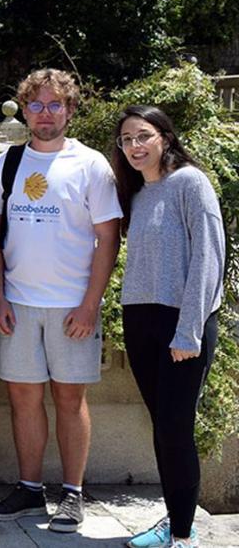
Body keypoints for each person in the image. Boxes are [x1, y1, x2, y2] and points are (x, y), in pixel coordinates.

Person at [0, 69, 121, 533]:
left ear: (70, 109)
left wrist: (89, 304)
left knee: (69, 398)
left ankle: (73, 494)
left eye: (55, 105)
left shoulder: (91, 164)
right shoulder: (7, 162)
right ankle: (28, 489)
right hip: (18, 303)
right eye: (37, 105)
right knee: (22, 398)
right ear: (24, 110)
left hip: (71, 306)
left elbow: (108, 238)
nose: (45, 114)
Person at [113, 106, 223, 548]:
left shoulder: (190, 183)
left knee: (176, 426)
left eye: (143, 136)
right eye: (126, 140)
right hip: (141, 319)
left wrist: (189, 330)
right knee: (162, 427)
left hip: (183, 322)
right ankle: (178, 522)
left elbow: (208, 259)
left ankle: (182, 536)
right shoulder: (137, 194)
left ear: (165, 137)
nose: (135, 146)